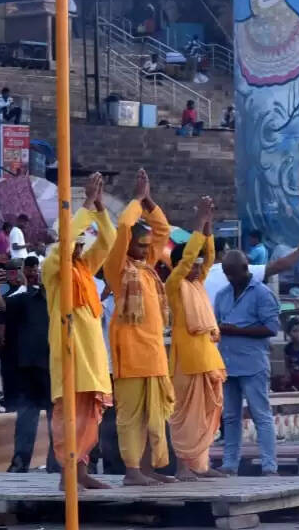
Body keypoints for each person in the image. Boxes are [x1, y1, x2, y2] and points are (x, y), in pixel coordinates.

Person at [42, 173, 115, 489]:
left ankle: (82, 473)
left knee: (88, 414)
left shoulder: (85, 268)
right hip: (69, 351)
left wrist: (99, 208)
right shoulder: (54, 267)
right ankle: (67, 475)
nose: (78, 248)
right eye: (75, 242)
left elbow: (109, 242)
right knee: (68, 413)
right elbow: (66, 243)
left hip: (92, 355)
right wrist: (84, 204)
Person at [104, 169, 174, 487]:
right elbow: (122, 226)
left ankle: (147, 469)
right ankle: (132, 471)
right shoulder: (118, 271)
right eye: (140, 245)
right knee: (130, 417)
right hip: (131, 357)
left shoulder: (147, 270)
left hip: (155, 354)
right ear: (129, 245)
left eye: (148, 246)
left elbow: (162, 230)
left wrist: (149, 202)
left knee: (154, 417)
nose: (147, 250)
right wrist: (134, 201)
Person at [165, 198, 226, 481]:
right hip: (187, 361)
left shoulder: (197, 284)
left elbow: (208, 259)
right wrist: (197, 225)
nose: (197, 267)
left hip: (209, 357)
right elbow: (188, 257)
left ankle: (201, 465)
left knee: (206, 416)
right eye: (191, 264)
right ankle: (182, 467)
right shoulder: (174, 285)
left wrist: (208, 229)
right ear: (179, 266)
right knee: (184, 416)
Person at [216, 248, 282, 476]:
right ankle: (230, 464)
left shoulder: (263, 293)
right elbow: (215, 325)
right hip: (227, 363)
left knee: (261, 414)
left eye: (233, 273)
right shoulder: (222, 295)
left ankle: (269, 466)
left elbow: (271, 328)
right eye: (227, 273)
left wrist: (238, 331)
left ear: (245, 269)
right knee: (231, 416)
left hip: (253, 364)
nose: (230, 278)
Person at [0, 256, 52, 472]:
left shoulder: (63, 302)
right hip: (29, 370)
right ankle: (20, 463)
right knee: (27, 419)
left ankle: (57, 465)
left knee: (58, 420)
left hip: (55, 370)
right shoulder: (26, 298)